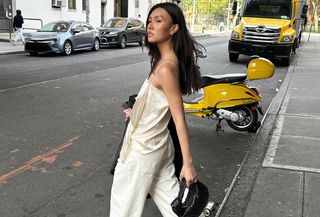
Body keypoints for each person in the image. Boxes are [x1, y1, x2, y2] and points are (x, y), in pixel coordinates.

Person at [109, 2, 206, 217]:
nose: (151, 26)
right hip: (158, 146)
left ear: (173, 29)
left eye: (159, 21)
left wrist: (188, 164)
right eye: (150, 21)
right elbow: (159, 105)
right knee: (174, 205)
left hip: (142, 151)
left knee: (122, 208)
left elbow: (179, 119)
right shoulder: (163, 61)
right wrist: (136, 114)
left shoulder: (166, 68)